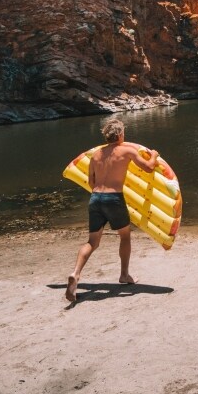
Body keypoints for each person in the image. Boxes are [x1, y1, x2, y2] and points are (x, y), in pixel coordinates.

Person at [65, 118, 158, 303]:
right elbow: (148, 168)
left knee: (92, 241)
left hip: (95, 199)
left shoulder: (96, 154)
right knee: (124, 236)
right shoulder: (127, 150)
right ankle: (124, 275)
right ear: (121, 134)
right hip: (114, 199)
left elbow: (91, 183)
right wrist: (154, 155)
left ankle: (75, 273)